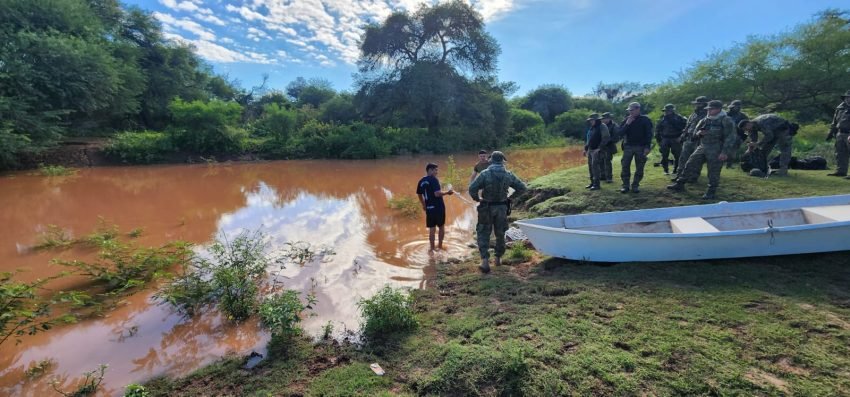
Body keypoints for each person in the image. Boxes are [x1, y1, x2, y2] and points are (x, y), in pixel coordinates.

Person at [467, 151, 527, 273]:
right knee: (500, 233)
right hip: (502, 208)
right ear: (503, 160)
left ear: (491, 160)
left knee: (483, 233)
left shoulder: (485, 174)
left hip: (487, 207)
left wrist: (478, 199)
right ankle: (498, 259)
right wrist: (511, 198)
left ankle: (485, 262)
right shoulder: (508, 174)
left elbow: (472, 188)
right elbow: (523, 187)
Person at [667, 100, 736, 199]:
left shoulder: (726, 120)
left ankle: (711, 191)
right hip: (703, 146)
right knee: (690, 164)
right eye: (708, 109)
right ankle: (680, 184)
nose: (708, 111)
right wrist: (699, 134)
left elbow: (731, 137)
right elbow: (694, 134)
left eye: (711, 109)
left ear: (718, 109)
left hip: (717, 148)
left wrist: (724, 152)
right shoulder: (705, 120)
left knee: (713, 171)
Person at [416, 163, 454, 251]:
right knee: (441, 226)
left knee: (432, 229)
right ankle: (440, 246)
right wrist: (447, 193)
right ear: (430, 170)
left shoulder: (421, 181)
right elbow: (437, 194)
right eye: (436, 170)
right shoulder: (434, 180)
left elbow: (419, 194)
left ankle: (432, 249)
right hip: (438, 207)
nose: (437, 172)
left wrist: (424, 205)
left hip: (429, 208)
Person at [618, 102, 653, 193]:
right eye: (629, 110)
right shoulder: (627, 119)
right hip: (628, 147)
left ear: (638, 109)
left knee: (640, 167)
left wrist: (647, 147)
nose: (630, 112)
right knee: (625, 166)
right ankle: (625, 186)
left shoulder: (645, 120)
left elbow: (649, 134)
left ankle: (635, 185)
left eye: (632, 110)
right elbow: (619, 133)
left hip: (641, 147)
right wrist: (627, 124)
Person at [673, 96, 709, 183]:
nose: (697, 105)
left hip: (699, 140)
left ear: (704, 104)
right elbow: (687, 126)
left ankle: (693, 177)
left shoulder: (708, 115)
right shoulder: (693, 114)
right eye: (696, 104)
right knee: (683, 158)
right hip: (688, 139)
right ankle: (679, 175)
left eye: (699, 103)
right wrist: (682, 136)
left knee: (696, 159)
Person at [655, 104, 687, 175]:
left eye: (668, 111)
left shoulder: (679, 118)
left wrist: (681, 138)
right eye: (665, 111)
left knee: (677, 155)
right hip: (665, 139)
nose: (666, 112)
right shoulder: (662, 118)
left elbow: (685, 128)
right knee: (664, 155)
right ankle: (665, 170)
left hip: (675, 138)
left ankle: (676, 170)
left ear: (672, 110)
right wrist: (658, 140)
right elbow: (657, 129)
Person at [583, 113, 610, 190]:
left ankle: (597, 184)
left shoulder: (602, 126)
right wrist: (585, 149)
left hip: (597, 150)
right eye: (590, 120)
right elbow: (589, 140)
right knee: (590, 167)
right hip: (591, 150)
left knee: (595, 167)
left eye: (592, 120)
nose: (590, 121)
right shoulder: (592, 127)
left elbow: (606, 138)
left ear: (596, 120)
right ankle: (592, 183)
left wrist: (599, 148)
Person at [827, 90, 850, 177]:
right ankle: (841, 171)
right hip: (840, 133)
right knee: (840, 153)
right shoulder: (840, 108)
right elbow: (834, 121)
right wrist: (831, 132)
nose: (848, 99)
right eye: (847, 97)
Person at [725, 100, 749, 168]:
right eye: (735, 106)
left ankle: (729, 164)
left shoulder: (743, 116)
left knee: (733, 151)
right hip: (725, 135)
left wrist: (743, 138)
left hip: (737, 136)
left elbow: (747, 129)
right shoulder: (726, 114)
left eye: (738, 107)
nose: (736, 108)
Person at [601, 112, 619, 183]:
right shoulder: (601, 126)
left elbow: (616, 137)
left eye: (606, 118)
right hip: (601, 146)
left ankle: (609, 177)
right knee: (600, 161)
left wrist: (607, 141)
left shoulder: (614, 126)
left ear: (609, 118)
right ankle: (602, 176)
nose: (604, 120)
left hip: (609, 146)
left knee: (607, 162)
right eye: (603, 118)